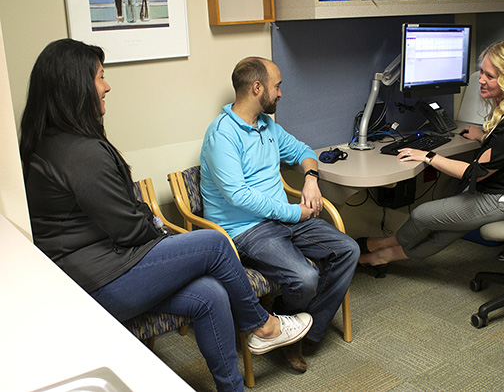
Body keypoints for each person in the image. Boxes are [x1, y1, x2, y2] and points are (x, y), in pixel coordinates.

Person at [20, 39, 313, 392]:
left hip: (106, 267)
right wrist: (170, 244)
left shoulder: (55, 141)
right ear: (75, 86)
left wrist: (162, 236)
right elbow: (130, 230)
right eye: (100, 76)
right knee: (215, 244)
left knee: (211, 294)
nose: (107, 85)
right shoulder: (78, 153)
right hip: (96, 282)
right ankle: (262, 326)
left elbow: (128, 212)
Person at [200, 57, 360, 372]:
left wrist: (312, 180)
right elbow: (239, 196)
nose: (281, 94)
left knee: (348, 250)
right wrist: (294, 212)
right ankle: (287, 332)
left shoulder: (267, 125)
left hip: (283, 218)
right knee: (304, 277)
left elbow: (304, 151)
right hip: (245, 229)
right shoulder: (222, 135)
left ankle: (301, 330)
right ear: (257, 87)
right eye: (277, 86)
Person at [357, 39, 504, 275]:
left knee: (423, 214)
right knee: (448, 229)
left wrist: (428, 156)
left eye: (490, 76)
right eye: (481, 72)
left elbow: (475, 173)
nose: (481, 80)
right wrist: (483, 137)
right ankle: (383, 257)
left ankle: (383, 245)